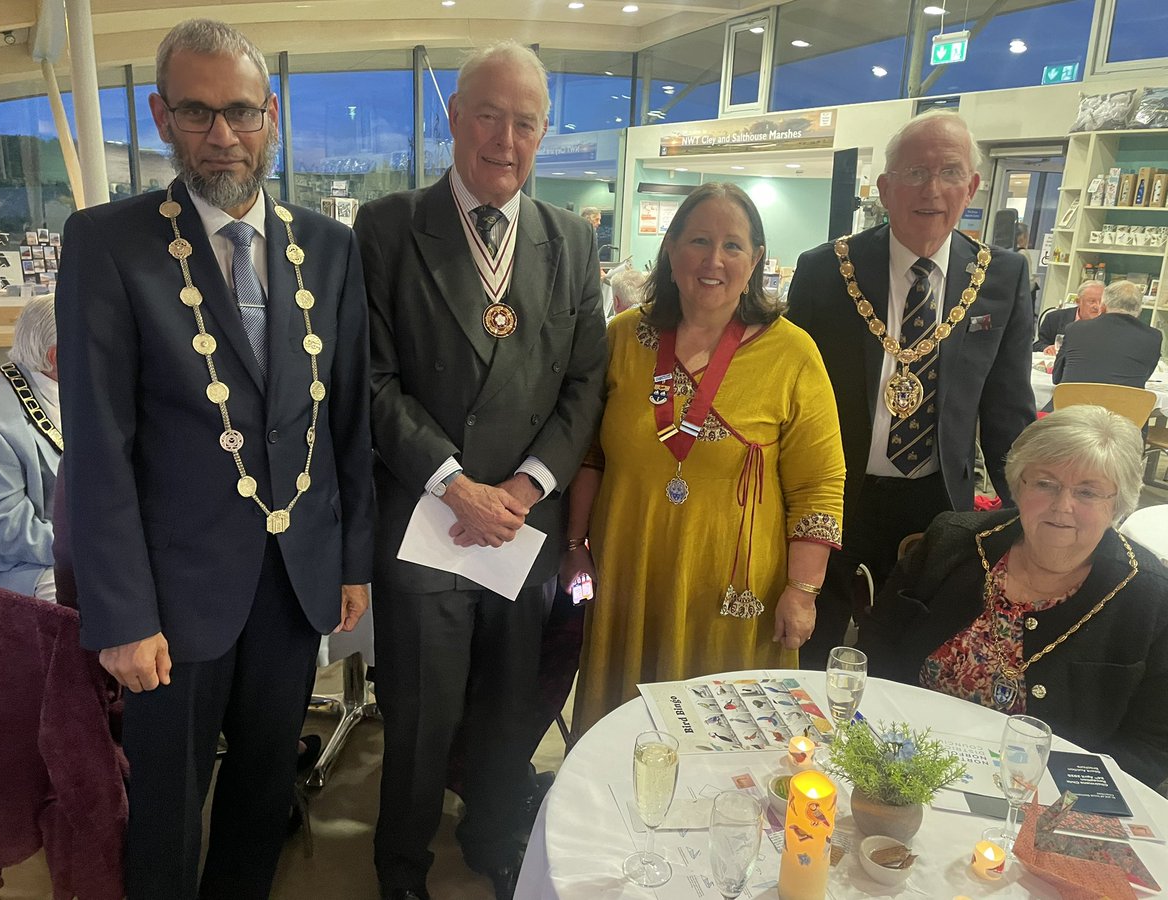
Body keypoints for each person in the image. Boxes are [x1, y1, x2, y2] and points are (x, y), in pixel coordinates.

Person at [55, 19, 374, 900]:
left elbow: (344, 418)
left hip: (295, 581)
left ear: (271, 115)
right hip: (172, 596)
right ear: (160, 116)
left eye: (241, 112)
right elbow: (98, 446)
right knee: (165, 801)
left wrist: (351, 563)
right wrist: (120, 614)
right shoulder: (108, 244)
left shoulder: (330, 248)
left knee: (266, 789)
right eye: (197, 113)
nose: (223, 136)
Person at [354, 41, 605, 900]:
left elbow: (585, 382)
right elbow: (373, 379)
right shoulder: (388, 228)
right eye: (488, 115)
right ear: (453, 117)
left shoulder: (571, 239)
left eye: (525, 122)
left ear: (543, 133)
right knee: (420, 717)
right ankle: (401, 867)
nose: (505, 138)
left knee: (509, 707)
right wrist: (455, 483)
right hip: (429, 517)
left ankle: (497, 840)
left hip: (522, 524)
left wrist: (528, 487)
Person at [567, 182, 845, 734]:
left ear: (757, 260)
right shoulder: (623, 337)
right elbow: (590, 455)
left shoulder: (792, 352)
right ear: (670, 250)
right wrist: (575, 548)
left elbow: (820, 485)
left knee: (725, 738)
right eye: (698, 240)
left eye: (733, 245)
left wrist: (803, 591)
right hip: (629, 572)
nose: (714, 260)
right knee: (623, 732)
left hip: (736, 591)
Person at [788, 110, 1036, 669]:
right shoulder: (827, 271)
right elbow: (791, 397)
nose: (932, 189)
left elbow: (1007, 414)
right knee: (808, 644)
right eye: (915, 172)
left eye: (950, 172)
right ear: (884, 188)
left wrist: (1027, 512)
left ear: (971, 188)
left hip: (938, 508)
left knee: (911, 656)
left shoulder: (1002, 277)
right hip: (834, 494)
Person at [860, 406, 1168, 788]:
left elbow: (1153, 744)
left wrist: (1067, 799)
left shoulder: (1149, 596)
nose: (1063, 505)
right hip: (905, 765)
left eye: (1087, 491)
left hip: (1045, 799)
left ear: (1117, 504)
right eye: (1045, 483)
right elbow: (878, 642)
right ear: (1018, 485)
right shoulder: (953, 540)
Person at [0, 296, 61, 601]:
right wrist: (89, 549)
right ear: (57, 356)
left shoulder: (83, 389)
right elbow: (3, 527)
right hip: (22, 564)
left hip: (92, 540)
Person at [1052, 279, 1161, 392]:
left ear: (1103, 306)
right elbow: (1143, 377)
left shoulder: (1075, 329)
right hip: (1125, 407)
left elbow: (1057, 378)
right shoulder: (1153, 337)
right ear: (1139, 310)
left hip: (1072, 405)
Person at [1035, 279, 1105, 353]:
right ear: (1078, 302)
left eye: (1101, 302)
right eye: (1092, 301)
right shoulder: (1055, 318)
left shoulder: (1110, 321)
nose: (1097, 306)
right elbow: (1037, 345)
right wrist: (1047, 348)